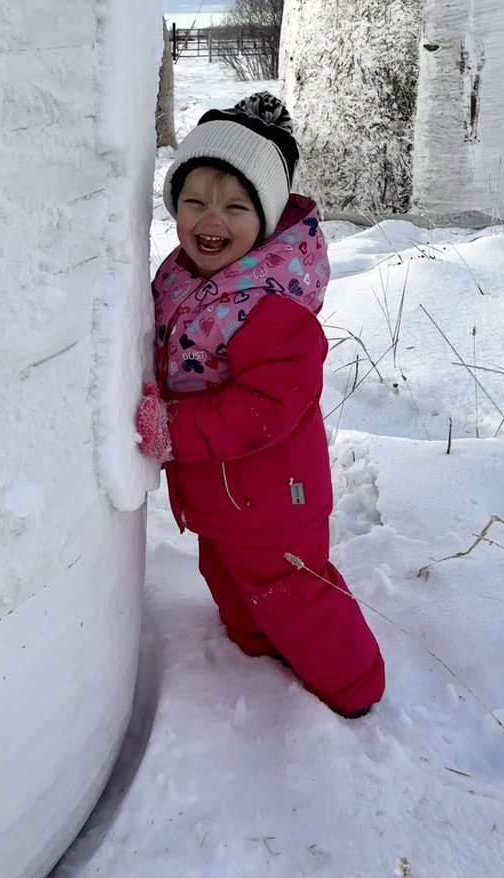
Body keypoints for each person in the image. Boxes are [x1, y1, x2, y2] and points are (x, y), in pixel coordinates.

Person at [135, 92, 385, 718]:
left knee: (291, 589)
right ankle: (257, 647)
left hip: (273, 497)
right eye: (194, 201)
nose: (209, 218)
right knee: (226, 575)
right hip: (221, 494)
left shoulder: (268, 302)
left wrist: (170, 428)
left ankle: (356, 689)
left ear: (267, 218)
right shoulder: (186, 275)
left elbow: (269, 405)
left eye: (234, 206)